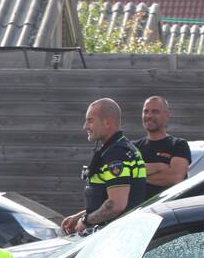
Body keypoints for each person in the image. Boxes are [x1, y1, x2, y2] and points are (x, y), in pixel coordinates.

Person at [61, 98, 146, 235]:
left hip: (117, 236)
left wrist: (86, 221)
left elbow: (115, 205)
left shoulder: (116, 153)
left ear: (107, 122)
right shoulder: (117, 148)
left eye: (90, 120)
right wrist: (79, 216)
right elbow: (107, 199)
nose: (85, 126)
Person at [135, 96, 191, 199]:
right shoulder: (133, 147)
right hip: (138, 212)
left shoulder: (178, 145)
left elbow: (175, 177)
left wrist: (137, 174)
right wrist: (159, 167)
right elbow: (124, 176)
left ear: (167, 115)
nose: (149, 115)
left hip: (168, 211)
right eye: (145, 111)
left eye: (155, 111)